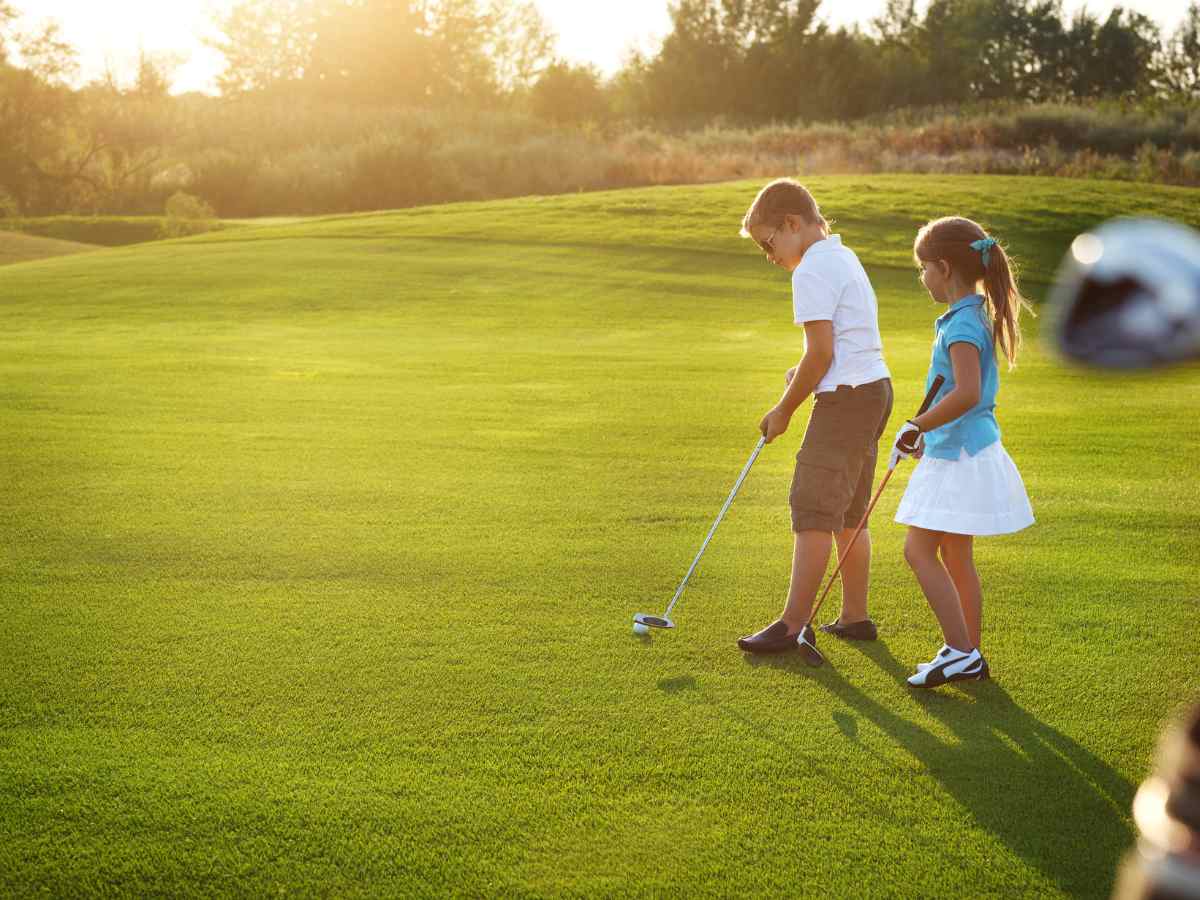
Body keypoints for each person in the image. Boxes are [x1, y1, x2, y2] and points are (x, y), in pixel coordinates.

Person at [736, 179, 893, 657]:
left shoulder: (808, 271)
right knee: (849, 511)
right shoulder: (842, 255)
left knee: (812, 507)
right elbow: (836, 344)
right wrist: (801, 372)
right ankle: (854, 617)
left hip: (846, 401)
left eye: (768, 242)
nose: (769, 254)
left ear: (791, 224)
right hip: (874, 390)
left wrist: (784, 409)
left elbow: (822, 352)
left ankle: (791, 625)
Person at [894, 216, 1035, 688]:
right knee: (955, 557)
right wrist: (924, 432)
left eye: (923, 269)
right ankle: (967, 653)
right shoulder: (970, 316)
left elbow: (967, 392)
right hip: (962, 448)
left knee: (918, 551)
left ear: (943, 267)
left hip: (958, 454)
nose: (922, 278)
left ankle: (960, 650)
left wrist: (917, 424)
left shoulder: (961, 326)